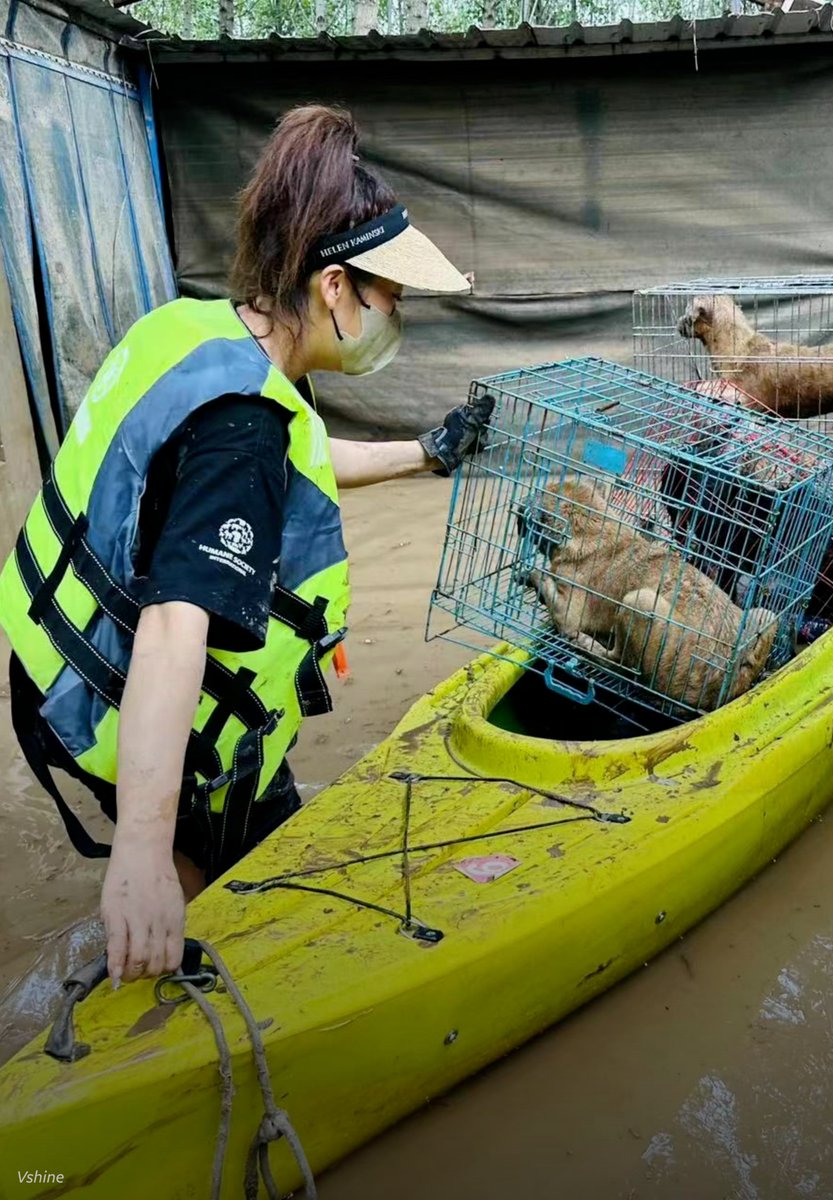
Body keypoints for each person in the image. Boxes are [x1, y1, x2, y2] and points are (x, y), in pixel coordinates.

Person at [0, 105, 493, 987]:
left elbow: (307, 458)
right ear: (336, 288)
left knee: (257, 826)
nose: (397, 319)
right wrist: (142, 854)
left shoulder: (209, 332)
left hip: (55, 649)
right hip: (122, 687)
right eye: (392, 300)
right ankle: (120, 1002)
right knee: (189, 893)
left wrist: (426, 451)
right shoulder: (243, 427)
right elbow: (174, 626)